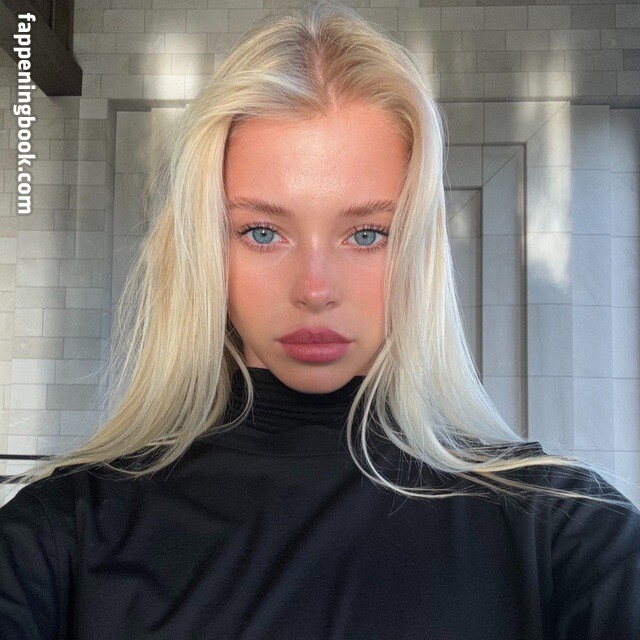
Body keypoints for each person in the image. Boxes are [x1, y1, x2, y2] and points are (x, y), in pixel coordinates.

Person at [1, 1, 639, 638]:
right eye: (261, 231)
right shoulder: (57, 536)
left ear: (418, 249)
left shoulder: (568, 536)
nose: (314, 289)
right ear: (205, 246)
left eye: (366, 233)